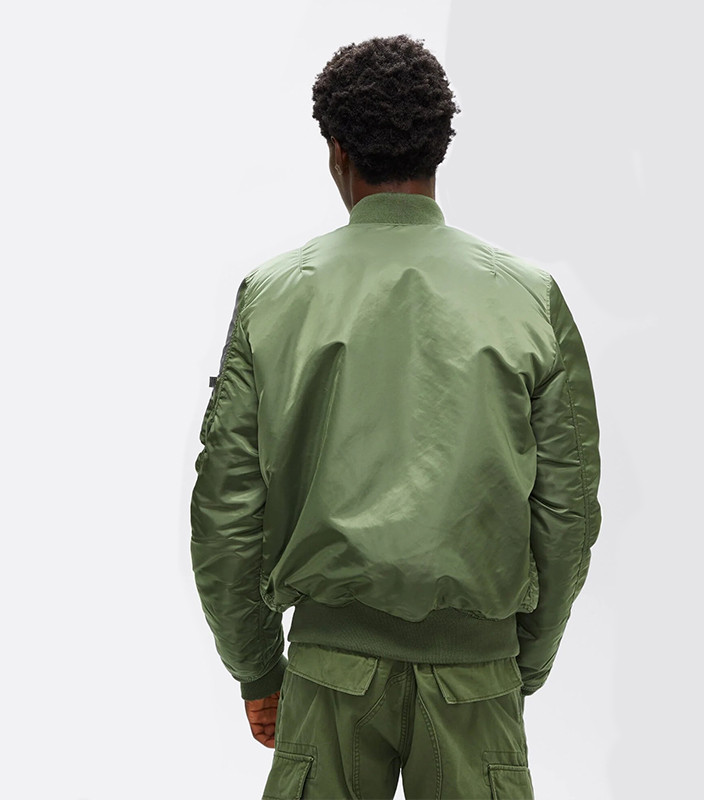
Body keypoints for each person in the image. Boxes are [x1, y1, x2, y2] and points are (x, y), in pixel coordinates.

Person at [190, 34, 602, 800]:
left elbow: (226, 510)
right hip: (477, 675)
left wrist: (258, 669)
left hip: (327, 675)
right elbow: (568, 510)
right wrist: (523, 659)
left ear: (337, 152)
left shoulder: (273, 296)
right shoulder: (529, 298)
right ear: (440, 146)